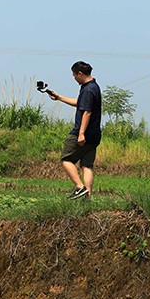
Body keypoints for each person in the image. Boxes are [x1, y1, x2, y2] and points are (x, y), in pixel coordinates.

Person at [47, 61, 102, 200]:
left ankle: (79, 187)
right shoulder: (93, 87)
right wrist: (59, 97)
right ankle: (87, 197)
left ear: (80, 73)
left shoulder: (88, 89)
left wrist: (81, 133)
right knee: (87, 165)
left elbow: (87, 112)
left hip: (83, 132)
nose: (74, 78)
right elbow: (79, 103)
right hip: (95, 135)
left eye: (74, 75)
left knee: (66, 159)